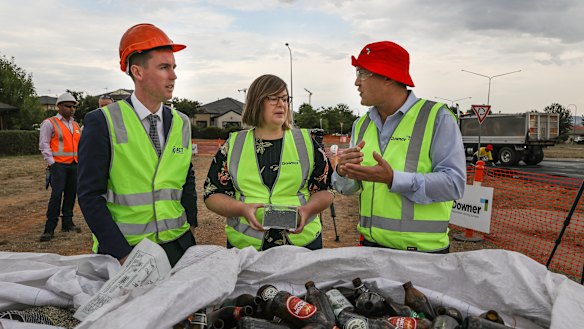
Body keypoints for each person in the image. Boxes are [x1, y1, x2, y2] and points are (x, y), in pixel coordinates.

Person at [77, 23, 197, 266]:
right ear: (138, 72)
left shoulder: (181, 122)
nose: (174, 75)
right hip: (126, 248)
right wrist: (121, 253)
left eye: (174, 67)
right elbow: (90, 195)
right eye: (164, 67)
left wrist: (191, 224)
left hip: (179, 244)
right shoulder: (103, 122)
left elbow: (187, 176)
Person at [333, 41, 466, 254]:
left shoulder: (436, 118)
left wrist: (393, 179)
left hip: (422, 255)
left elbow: (454, 184)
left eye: (362, 73)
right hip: (370, 249)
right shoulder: (361, 125)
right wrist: (342, 172)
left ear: (388, 76)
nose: (356, 82)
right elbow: (349, 188)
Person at [203, 74, 334, 251]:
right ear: (256, 102)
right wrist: (241, 209)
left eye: (285, 99)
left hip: (302, 245)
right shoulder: (233, 146)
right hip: (247, 248)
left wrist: (307, 210)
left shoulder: (308, 143)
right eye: (273, 98)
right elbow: (212, 194)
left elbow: (326, 189)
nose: (281, 104)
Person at [38, 92, 82, 242]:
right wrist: (52, 163)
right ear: (59, 106)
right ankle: (49, 229)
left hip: (74, 164)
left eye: (73, 106)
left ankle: (67, 223)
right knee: (56, 195)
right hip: (59, 165)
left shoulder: (76, 125)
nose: (71, 109)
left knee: (71, 194)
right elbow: (44, 144)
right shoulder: (50, 123)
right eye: (68, 106)